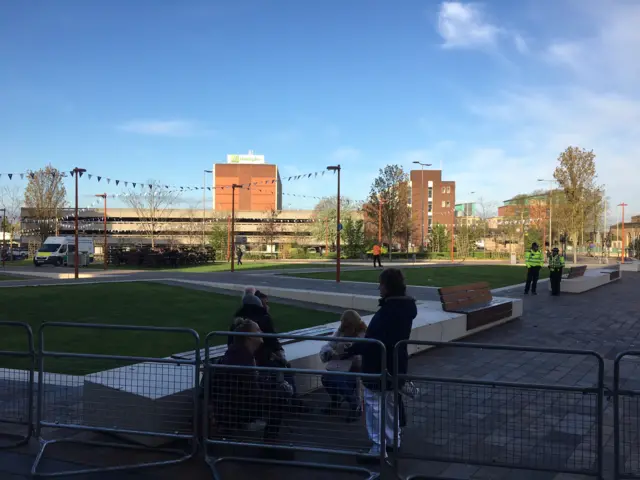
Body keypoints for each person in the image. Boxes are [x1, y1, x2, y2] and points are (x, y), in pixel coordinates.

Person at [344, 268, 417, 460]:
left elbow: (375, 341)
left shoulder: (389, 311)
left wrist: (351, 350)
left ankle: (379, 448)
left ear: (387, 286)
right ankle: (393, 441)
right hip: (396, 364)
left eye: (381, 284)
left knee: (374, 407)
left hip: (379, 366)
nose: (378, 288)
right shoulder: (403, 308)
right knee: (391, 405)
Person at [210, 319, 292, 441]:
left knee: (279, 387)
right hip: (238, 410)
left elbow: (251, 385)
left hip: (232, 406)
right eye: (258, 330)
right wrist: (281, 388)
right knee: (282, 392)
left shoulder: (237, 353)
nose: (261, 332)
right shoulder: (242, 357)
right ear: (249, 337)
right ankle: (271, 439)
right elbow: (254, 394)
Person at [319, 310, 366, 422]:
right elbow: (328, 345)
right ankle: (336, 400)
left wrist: (349, 354)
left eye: (347, 325)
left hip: (356, 369)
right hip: (340, 366)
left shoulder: (363, 334)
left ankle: (355, 405)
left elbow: (363, 355)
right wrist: (331, 352)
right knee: (325, 378)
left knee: (338, 379)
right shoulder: (341, 331)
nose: (344, 327)